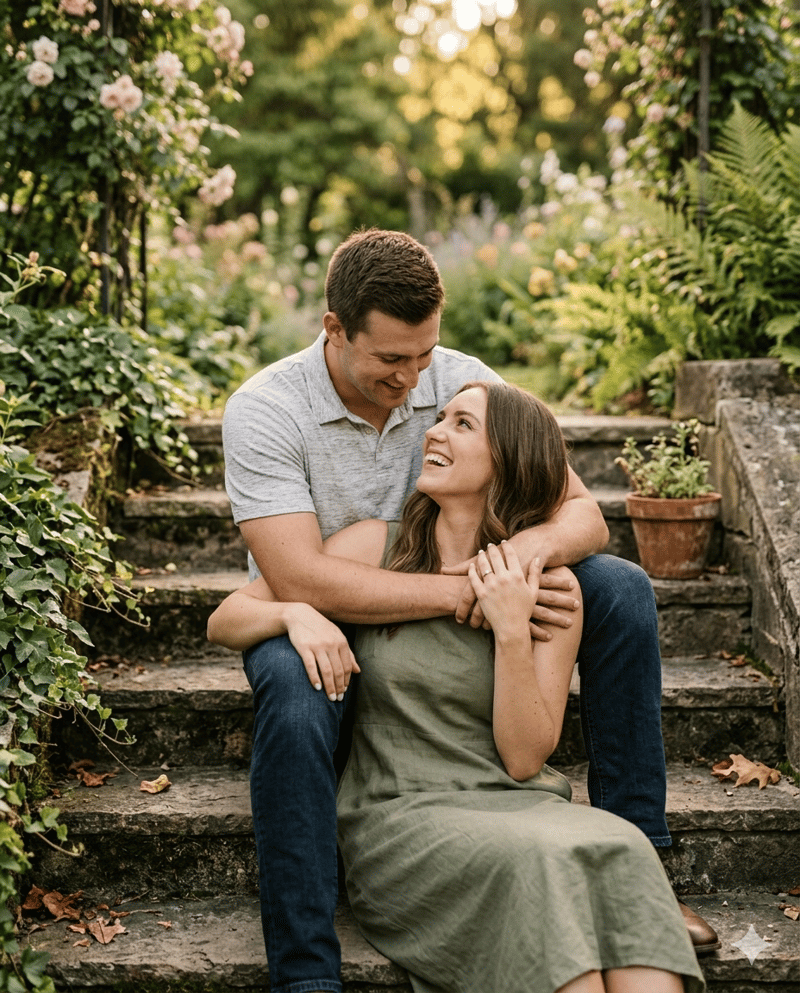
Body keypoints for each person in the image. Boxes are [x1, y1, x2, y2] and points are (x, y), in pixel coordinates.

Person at [219, 229, 718, 993]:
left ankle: (640, 854)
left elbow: (582, 517)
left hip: (459, 582)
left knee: (616, 585)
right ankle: (306, 968)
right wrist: (464, 594)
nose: (416, 382)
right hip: (322, 610)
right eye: (392, 360)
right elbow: (297, 574)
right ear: (335, 330)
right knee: (292, 691)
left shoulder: (456, 381)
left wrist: (517, 565)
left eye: (425, 356)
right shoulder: (269, 409)